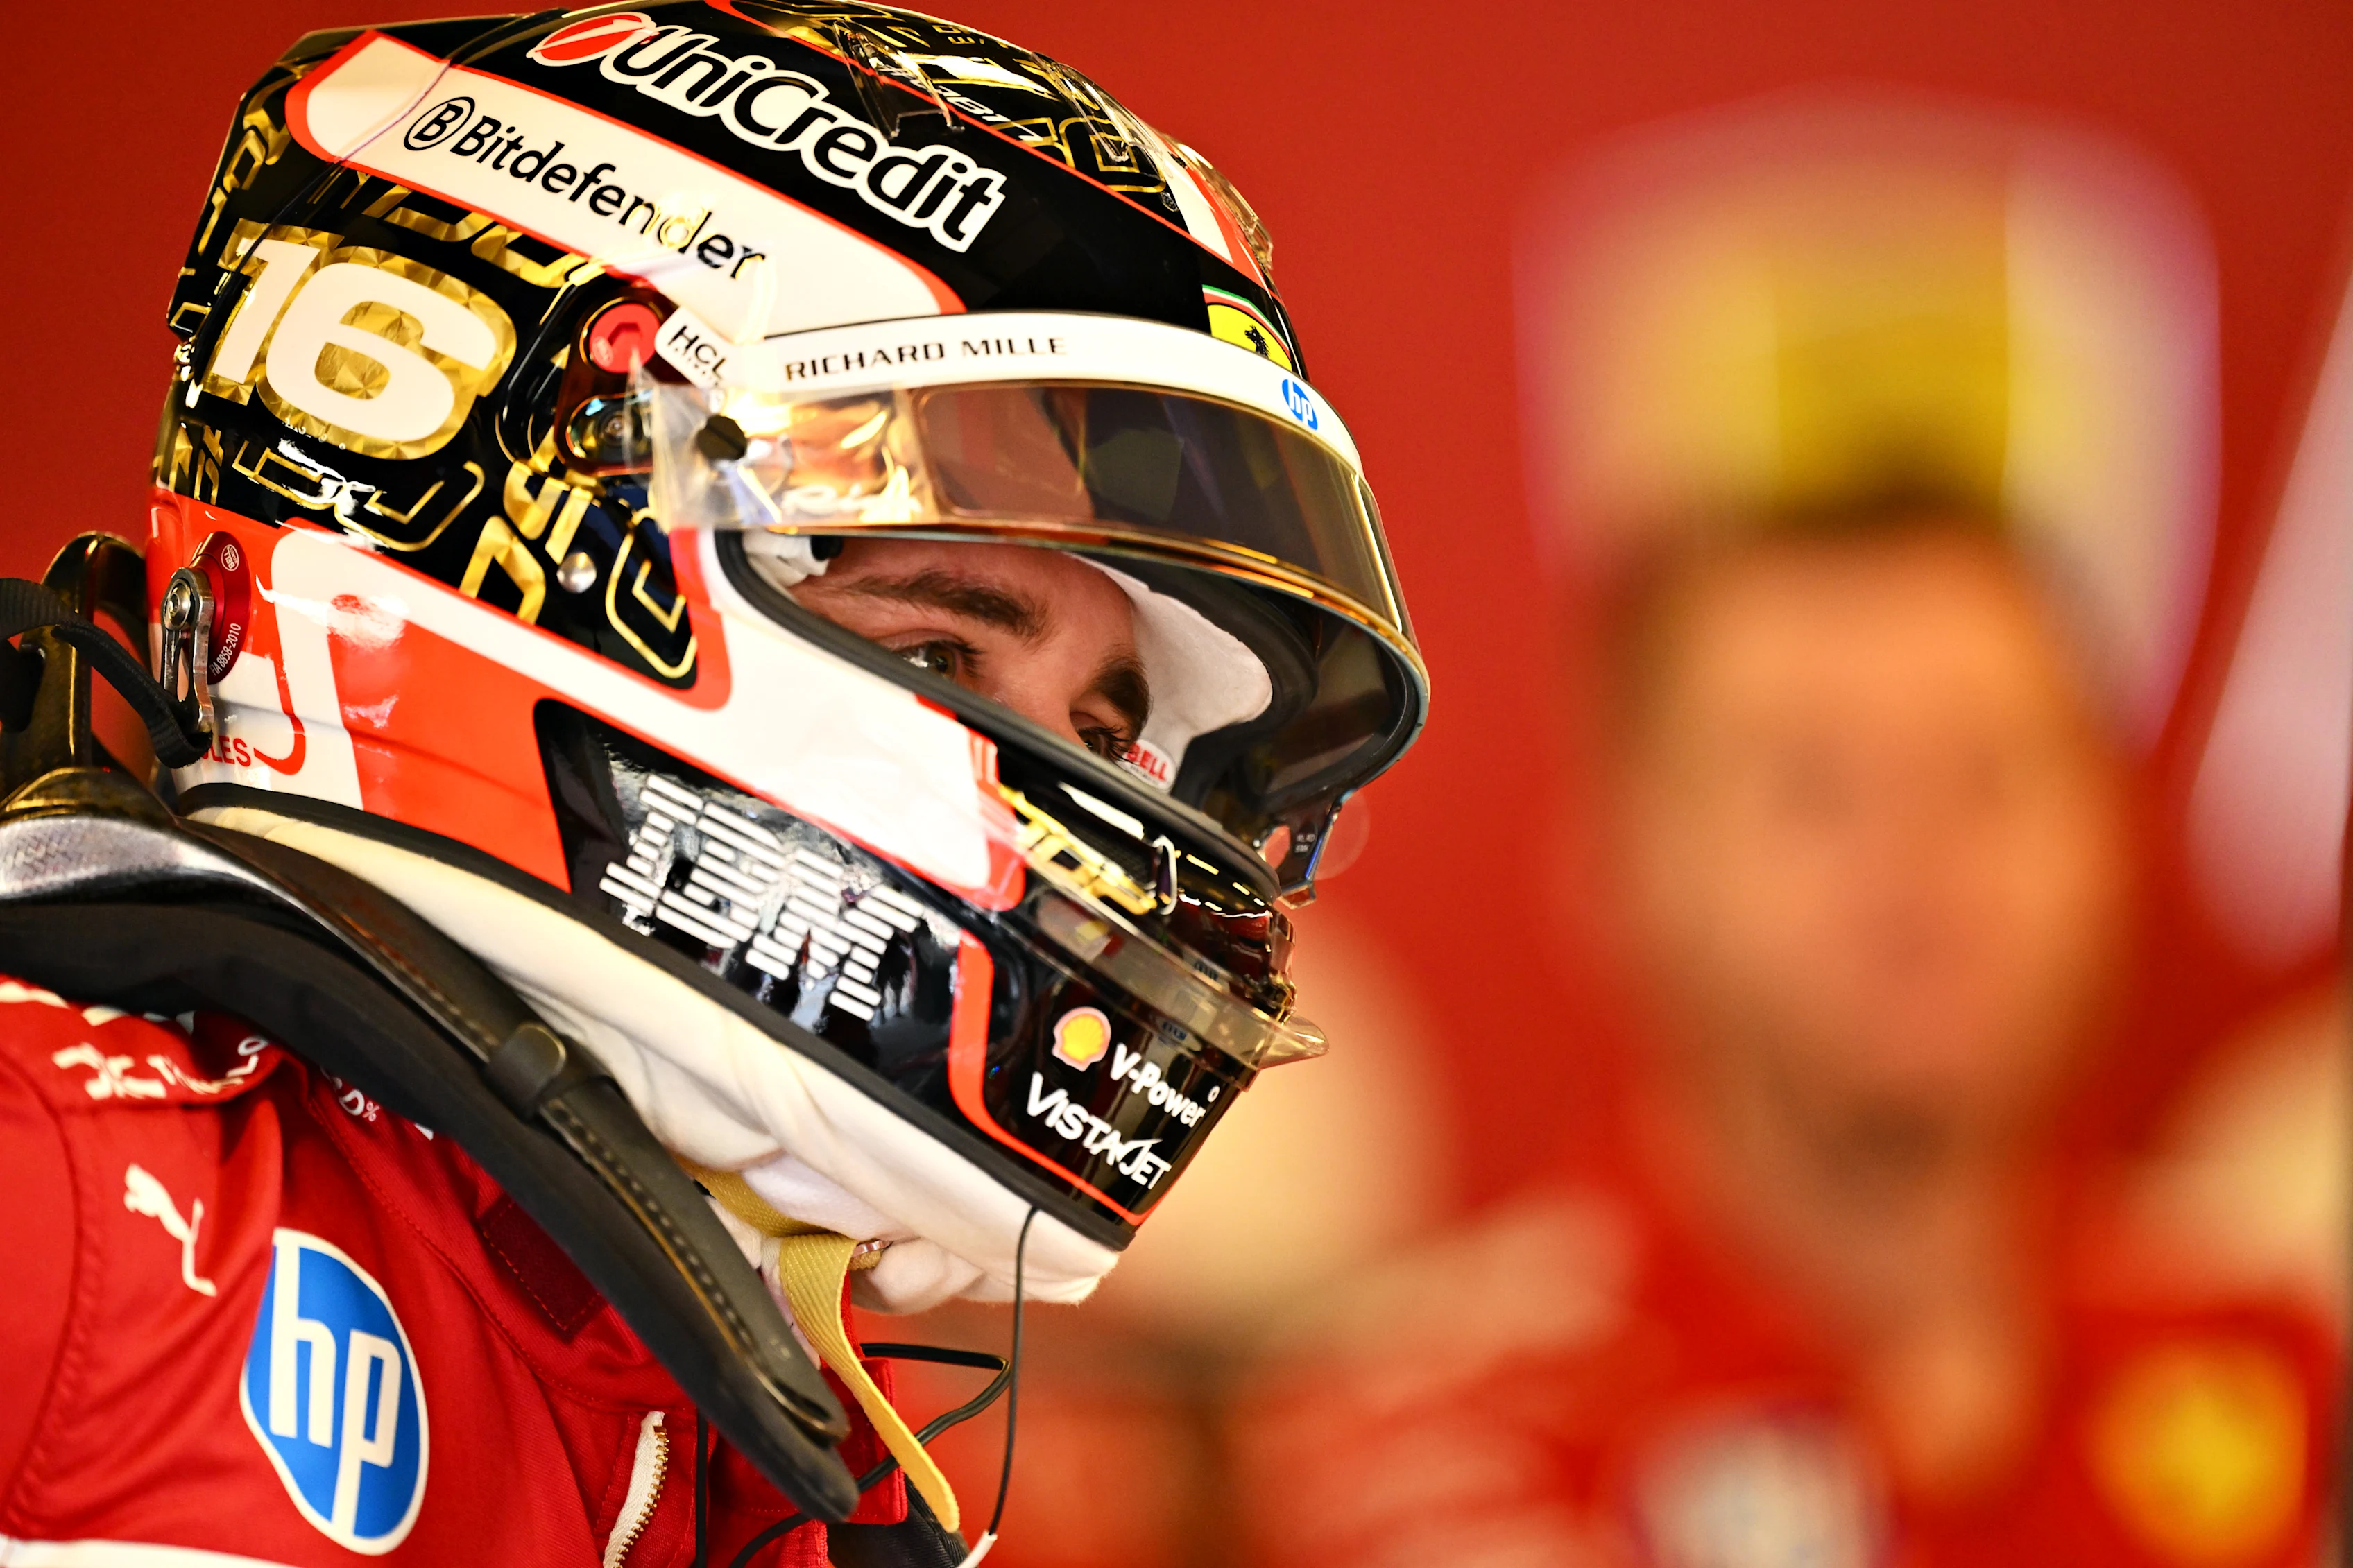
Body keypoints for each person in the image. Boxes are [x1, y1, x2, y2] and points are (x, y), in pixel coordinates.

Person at [0, 7, 1427, 1567]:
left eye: (1100, 725)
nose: (1072, 809)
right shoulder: (67, 1184)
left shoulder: (778, 1458)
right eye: (945, 656)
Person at [1230, 500, 2334, 1568]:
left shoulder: (2290, 1365)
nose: (1919, 867)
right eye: (1815, 789)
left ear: (2113, 842)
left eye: (1990, 773)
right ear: (1623, 874)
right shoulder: (1444, 1431)